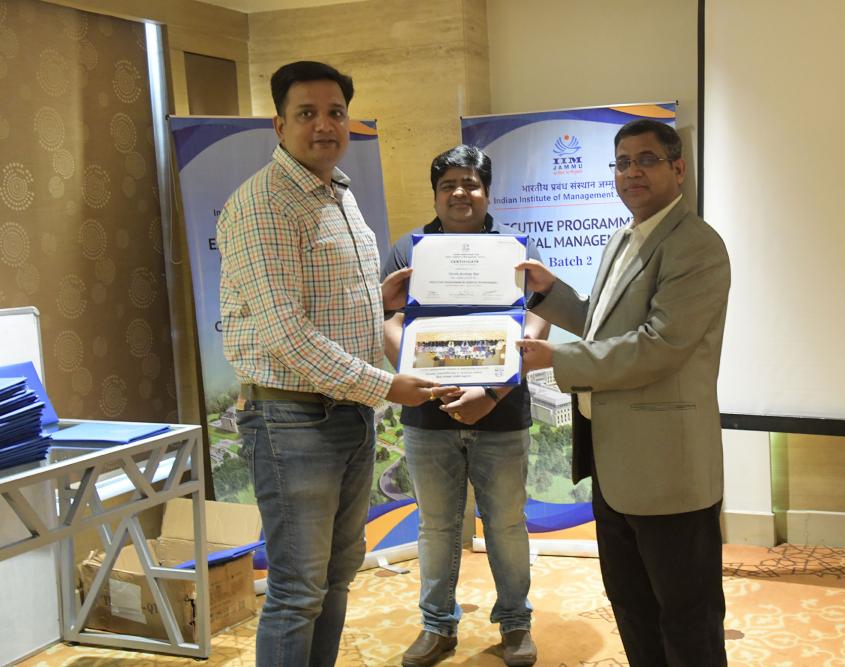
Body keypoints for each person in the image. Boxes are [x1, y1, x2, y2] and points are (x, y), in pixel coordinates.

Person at [217, 60, 448, 667]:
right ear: (279, 125)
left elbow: (325, 301)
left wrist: (380, 298)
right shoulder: (265, 204)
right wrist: (387, 386)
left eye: (335, 113)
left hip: (347, 416)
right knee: (297, 590)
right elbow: (287, 335)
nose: (324, 125)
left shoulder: (338, 193)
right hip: (292, 422)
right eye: (307, 113)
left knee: (337, 574)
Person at [517, 119, 731, 666]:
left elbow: (660, 345)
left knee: (687, 616)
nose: (632, 172)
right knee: (633, 605)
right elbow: (601, 323)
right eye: (622, 162)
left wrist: (557, 358)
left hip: (668, 471)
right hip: (615, 463)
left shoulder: (696, 245)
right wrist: (550, 293)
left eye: (646, 159)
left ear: (678, 168)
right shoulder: (622, 238)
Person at [381, 145, 550, 667]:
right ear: (435, 194)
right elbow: (389, 321)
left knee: (506, 524)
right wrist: (426, 382)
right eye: (448, 184)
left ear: (487, 191)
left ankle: (516, 624)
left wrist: (493, 391)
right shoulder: (408, 250)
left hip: (502, 413)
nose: (460, 192)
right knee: (435, 526)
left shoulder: (516, 249)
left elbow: (538, 320)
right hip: (427, 415)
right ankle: (437, 627)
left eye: (470, 183)